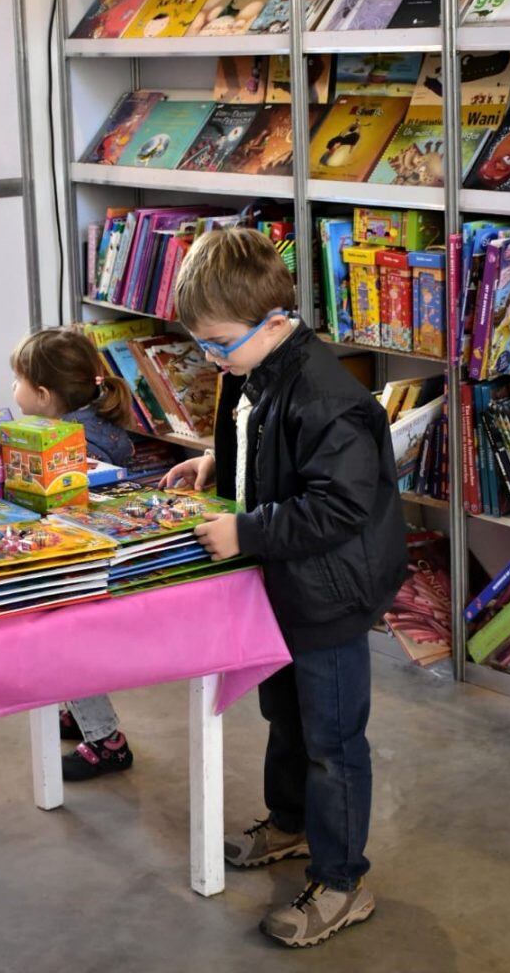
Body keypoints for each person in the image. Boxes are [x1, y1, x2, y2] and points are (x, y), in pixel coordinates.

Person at [160, 229, 408, 949]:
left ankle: (342, 882)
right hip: (283, 584)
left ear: (273, 322)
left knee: (332, 737)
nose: (211, 357)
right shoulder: (256, 365)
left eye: (216, 344)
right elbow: (258, 437)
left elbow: (340, 506)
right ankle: (292, 823)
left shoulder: (332, 399)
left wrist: (249, 532)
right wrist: (216, 465)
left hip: (330, 593)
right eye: (201, 344)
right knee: (284, 713)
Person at [11, 327, 135, 782]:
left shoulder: (62, 442)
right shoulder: (96, 427)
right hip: (94, 557)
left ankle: (106, 741)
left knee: (64, 646)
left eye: (18, 380)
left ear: (43, 395)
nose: (13, 389)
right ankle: (76, 713)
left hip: (80, 568)